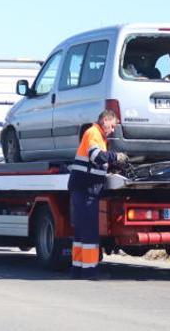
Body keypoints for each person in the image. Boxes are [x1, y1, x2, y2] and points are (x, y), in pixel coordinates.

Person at [68, 109, 128, 279]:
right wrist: (116, 156)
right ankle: (89, 271)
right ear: (105, 120)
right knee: (89, 231)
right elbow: (96, 156)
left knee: (81, 231)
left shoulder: (96, 135)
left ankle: (77, 269)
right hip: (86, 189)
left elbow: (96, 162)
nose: (114, 129)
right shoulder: (94, 133)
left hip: (82, 187)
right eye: (113, 125)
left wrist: (112, 164)